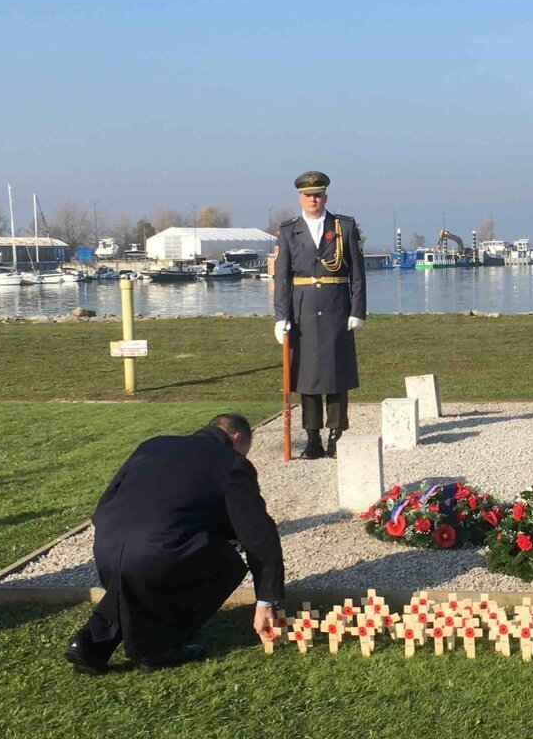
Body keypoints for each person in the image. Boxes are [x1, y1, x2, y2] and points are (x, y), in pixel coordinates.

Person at [64, 413, 284, 675]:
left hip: (107, 548)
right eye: (245, 451)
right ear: (236, 438)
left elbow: (107, 501)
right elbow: (258, 534)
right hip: (159, 555)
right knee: (226, 563)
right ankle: (158, 647)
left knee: (136, 576)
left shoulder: (152, 445)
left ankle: (91, 642)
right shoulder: (231, 463)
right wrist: (265, 601)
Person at [273, 170, 367, 459]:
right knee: (308, 375)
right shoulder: (289, 231)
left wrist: (358, 310)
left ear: (325, 196)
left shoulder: (344, 227)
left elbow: (357, 274)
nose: (313, 199)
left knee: (336, 374)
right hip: (303, 311)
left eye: (317, 194)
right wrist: (281, 316)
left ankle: (336, 434)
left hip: (337, 308)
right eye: (307, 195)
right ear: (300, 197)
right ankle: (312, 437)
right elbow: (282, 277)